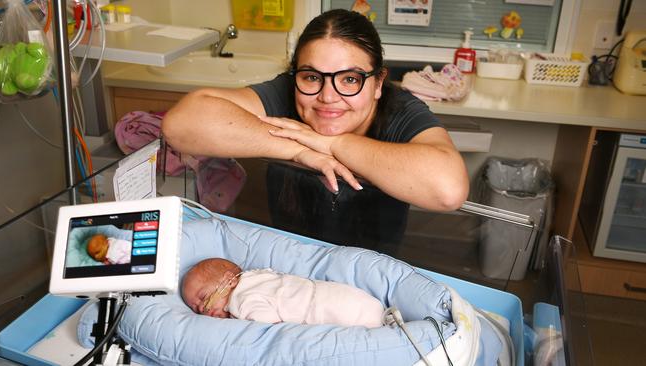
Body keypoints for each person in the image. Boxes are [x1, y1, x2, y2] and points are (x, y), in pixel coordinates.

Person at [162, 9, 468, 247]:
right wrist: (299, 149)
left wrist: (331, 144)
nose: (327, 96)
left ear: (377, 83)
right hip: (291, 253)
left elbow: (448, 189)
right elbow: (182, 124)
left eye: (350, 79)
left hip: (374, 262)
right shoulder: (288, 91)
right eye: (311, 77)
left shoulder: (399, 108)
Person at [181, 257, 385, 328]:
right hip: (338, 294)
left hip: (323, 309)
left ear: (228, 280)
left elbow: (268, 328)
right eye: (196, 309)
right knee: (376, 318)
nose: (201, 308)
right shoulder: (257, 275)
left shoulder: (241, 300)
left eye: (203, 297)